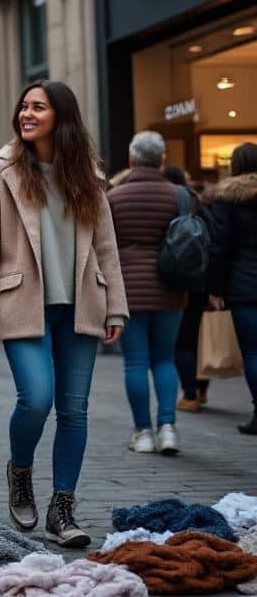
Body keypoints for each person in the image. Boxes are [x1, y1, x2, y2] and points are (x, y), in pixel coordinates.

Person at [0, 80, 127, 548]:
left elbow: (106, 246)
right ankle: (20, 472)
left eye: (38, 107)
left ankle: (63, 509)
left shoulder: (88, 176)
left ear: (62, 116)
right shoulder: (3, 171)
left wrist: (116, 305)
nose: (26, 113)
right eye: (24, 106)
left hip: (81, 303)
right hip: (22, 303)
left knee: (74, 410)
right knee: (35, 399)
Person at [107, 131, 188, 455]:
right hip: (170, 288)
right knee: (165, 359)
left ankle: (143, 432)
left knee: (135, 363)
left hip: (129, 290)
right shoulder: (179, 195)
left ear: (131, 160)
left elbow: (104, 248)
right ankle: (167, 428)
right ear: (162, 160)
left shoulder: (113, 197)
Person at [205, 141, 257, 435]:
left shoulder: (227, 199)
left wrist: (215, 288)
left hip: (243, 283)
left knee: (253, 351)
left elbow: (220, 247)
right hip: (243, 282)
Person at [163, 164, 210, 410]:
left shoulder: (166, 200)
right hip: (200, 280)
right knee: (198, 338)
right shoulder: (196, 201)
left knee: (182, 341)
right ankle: (201, 390)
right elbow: (213, 238)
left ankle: (190, 394)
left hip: (176, 280)